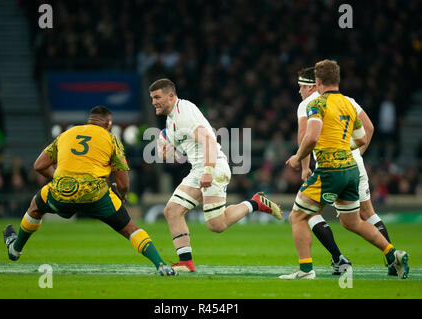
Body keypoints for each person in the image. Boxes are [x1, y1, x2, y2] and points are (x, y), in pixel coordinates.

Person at [3, 106, 176, 276]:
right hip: (95, 194)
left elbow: (39, 165)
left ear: (89, 120)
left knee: (35, 206)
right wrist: (122, 195)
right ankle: (161, 265)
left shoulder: (67, 134)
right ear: (108, 124)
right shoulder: (111, 139)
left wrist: (58, 177)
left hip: (62, 191)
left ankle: (15, 249)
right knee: (131, 229)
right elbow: (123, 182)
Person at [282, 60, 409, 280]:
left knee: (298, 216)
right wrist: (344, 149)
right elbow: (361, 137)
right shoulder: (349, 103)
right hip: (351, 168)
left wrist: (297, 158)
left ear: (318, 82)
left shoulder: (316, 104)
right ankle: (393, 253)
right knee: (354, 221)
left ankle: (306, 270)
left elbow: (309, 137)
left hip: (330, 169)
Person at [149, 78, 282, 272]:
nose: (153, 102)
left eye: (157, 97)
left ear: (170, 96)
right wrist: (167, 151)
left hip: (213, 167)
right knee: (172, 210)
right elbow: (180, 154)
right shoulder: (171, 121)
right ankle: (186, 262)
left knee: (216, 225)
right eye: (152, 98)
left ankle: (256, 203)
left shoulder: (184, 112)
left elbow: (209, 140)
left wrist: (209, 171)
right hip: (198, 170)